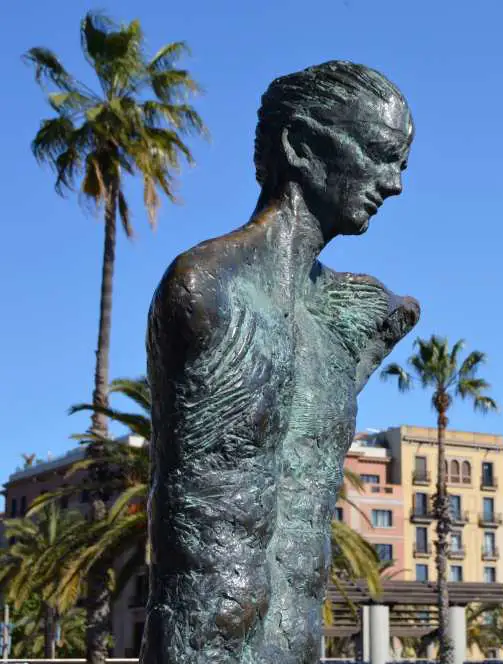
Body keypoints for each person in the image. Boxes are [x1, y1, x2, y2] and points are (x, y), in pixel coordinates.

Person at [142, 61, 418, 664]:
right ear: (299, 145)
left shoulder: (348, 317)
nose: (394, 182)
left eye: (401, 162)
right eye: (378, 153)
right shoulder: (209, 289)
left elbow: (398, 310)